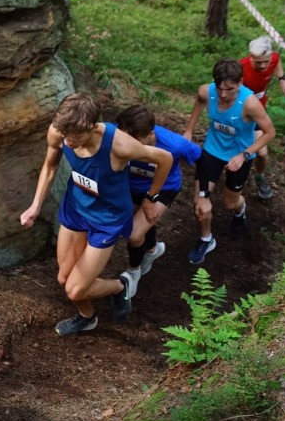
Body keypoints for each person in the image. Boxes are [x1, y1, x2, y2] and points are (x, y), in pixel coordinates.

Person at [19, 93, 172, 334]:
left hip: (107, 219)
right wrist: (36, 205)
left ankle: (119, 286)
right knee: (63, 279)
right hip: (76, 209)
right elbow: (50, 165)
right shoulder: (60, 132)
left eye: (75, 136)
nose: (68, 142)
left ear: (92, 127)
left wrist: (151, 198)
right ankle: (88, 317)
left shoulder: (119, 144)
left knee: (74, 289)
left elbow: (165, 158)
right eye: (65, 134)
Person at [182, 58, 276, 265]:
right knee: (201, 202)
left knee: (229, 202)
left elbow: (269, 133)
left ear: (240, 82)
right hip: (211, 153)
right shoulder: (208, 91)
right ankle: (206, 239)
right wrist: (189, 130)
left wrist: (244, 154)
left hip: (240, 158)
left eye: (230, 89)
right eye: (220, 88)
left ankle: (240, 210)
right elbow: (199, 101)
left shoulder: (250, 103)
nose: (223, 95)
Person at [115, 104, 202, 294]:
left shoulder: (175, 144)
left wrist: (202, 194)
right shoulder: (118, 132)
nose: (126, 144)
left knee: (134, 234)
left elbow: (203, 161)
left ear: (149, 134)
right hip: (131, 186)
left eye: (133, 140)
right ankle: (153, 250)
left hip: (163, 189)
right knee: (139, 221)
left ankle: (133, 273)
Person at [240, 35, 285, 199]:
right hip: (240, 114)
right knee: (239, 148)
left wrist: (282, 80)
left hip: (259, 112)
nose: (263, 65)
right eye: (258, 62)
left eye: (266, 61)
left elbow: (277, 62)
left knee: (262, 154)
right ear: (251, 56)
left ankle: (259, 176)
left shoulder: (273, 58)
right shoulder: (241, 67)